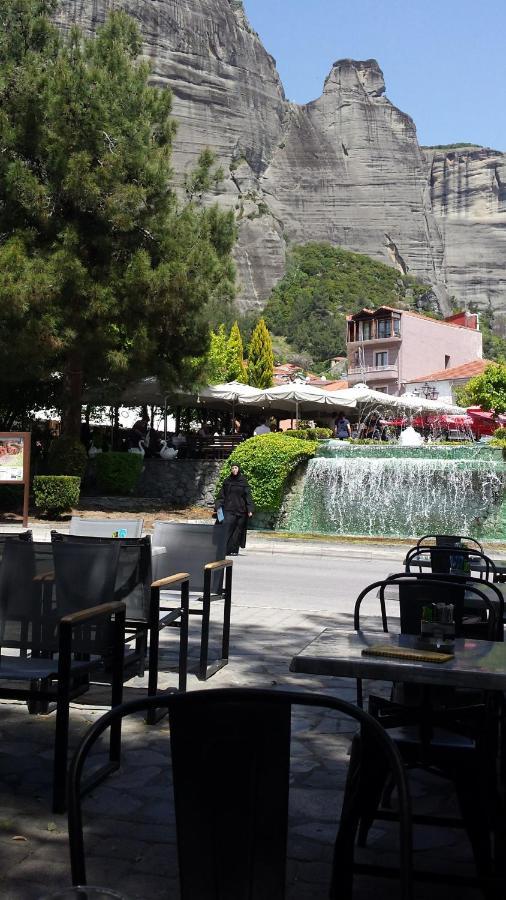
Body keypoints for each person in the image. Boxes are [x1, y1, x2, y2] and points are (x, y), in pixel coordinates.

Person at [215, 464, 254, 556]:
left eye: (236, 468)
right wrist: (218, 507)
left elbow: (248, 496)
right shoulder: (227, 481)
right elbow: (221, 496)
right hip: (229, 509)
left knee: (237, 531)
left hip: (241, 511)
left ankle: (233, 550)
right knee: (226, 528)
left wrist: (250, 509)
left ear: (239, 469)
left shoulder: (243, 482)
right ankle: (223, 550)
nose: (234, 470)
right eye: (232, 468)